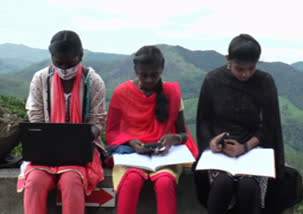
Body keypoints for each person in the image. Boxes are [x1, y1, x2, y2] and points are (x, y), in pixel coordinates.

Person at [194, 34, 286, 214]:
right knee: (221, 185)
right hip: (220, 152)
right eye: (239, 68)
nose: (245, 74)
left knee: (248, 187)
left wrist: (245, 147)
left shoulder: (264, 81)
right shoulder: (213, 79)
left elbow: (270, 125)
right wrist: (211, 142)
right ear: (228, 59)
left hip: (254, 150)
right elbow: (203, 120)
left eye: (251, 68)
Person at [16, 30, 106, 214]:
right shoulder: (41, 79)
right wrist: (48, 138)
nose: (64, 68)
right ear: (52, 58)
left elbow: (97, 120)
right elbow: (36, 116)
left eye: (70, 63)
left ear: (80, 56)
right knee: (34, 182)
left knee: (72, 181)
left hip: (79, 152)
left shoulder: (93, 81)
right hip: (45, 150)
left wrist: (80, 137)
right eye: (58, 63)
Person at [106, 45, 199, 214]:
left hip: (164, 157)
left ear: (162, 70)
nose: (149, 79)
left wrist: (174, 138)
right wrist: (130, 141)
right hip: (132, 156)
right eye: (143, 75)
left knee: (164, 182)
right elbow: (112, 132)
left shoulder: (172, 93)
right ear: (135, 70)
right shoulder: (121, 93)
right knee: (132, 179)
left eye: (154, 75)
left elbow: (183, 133)